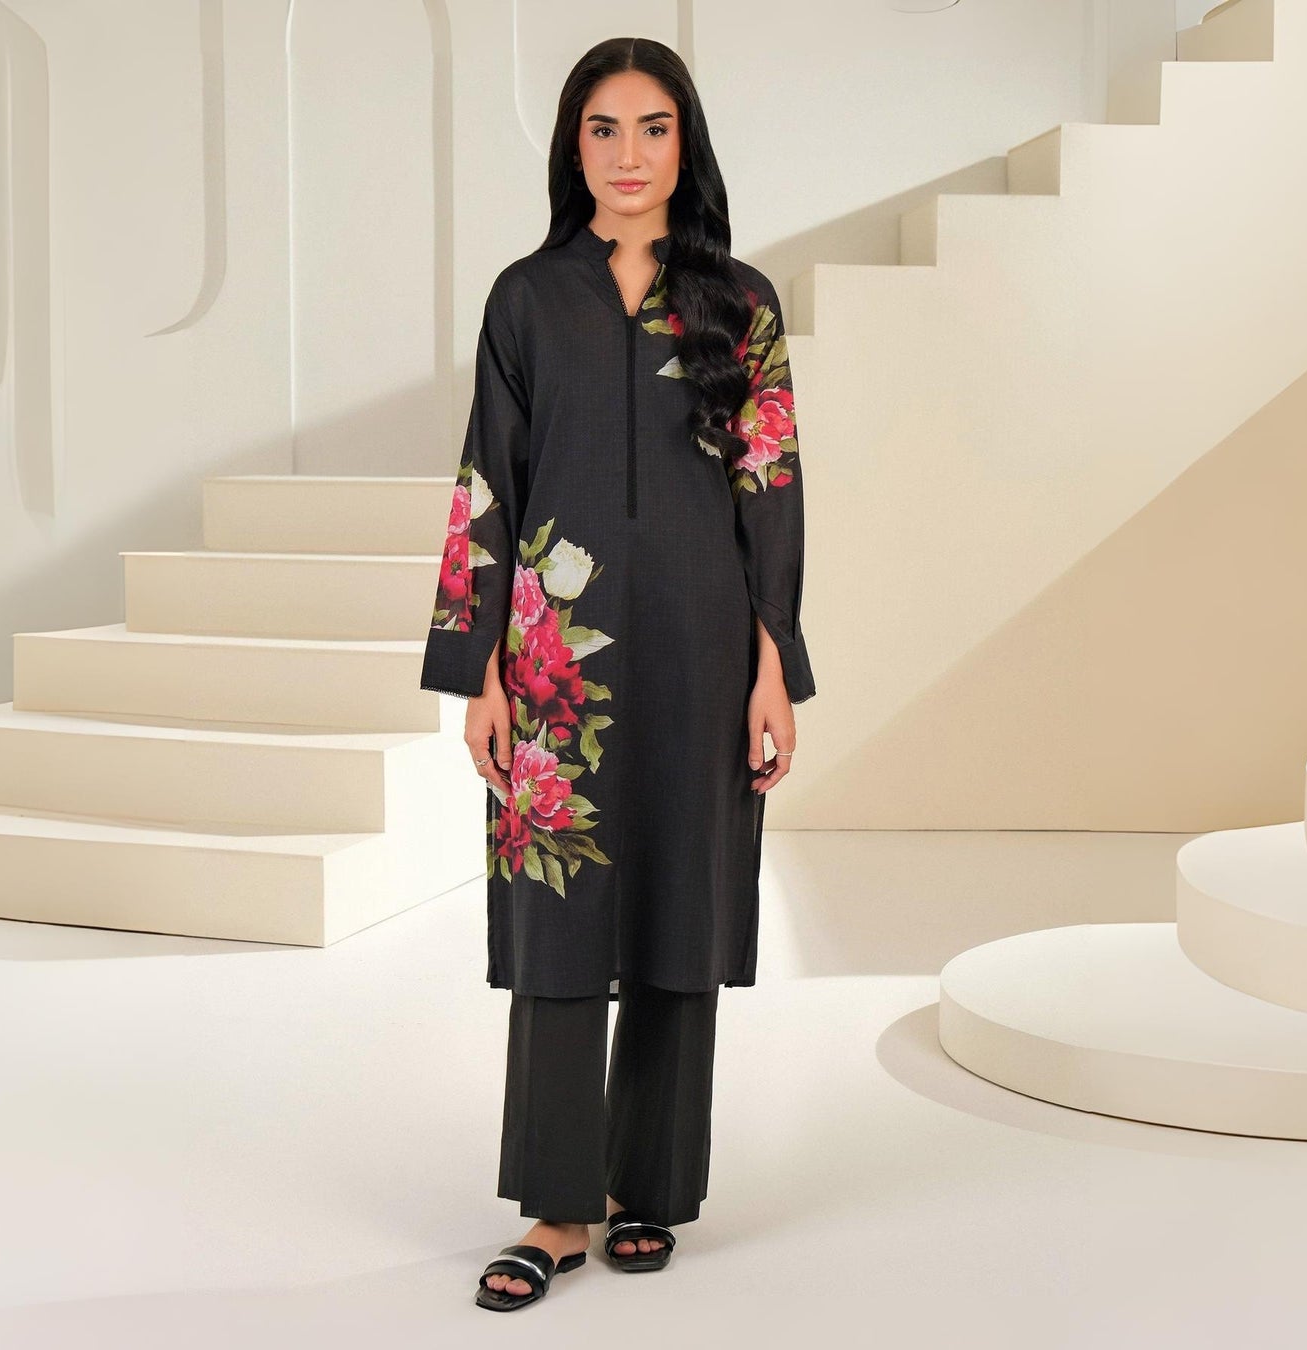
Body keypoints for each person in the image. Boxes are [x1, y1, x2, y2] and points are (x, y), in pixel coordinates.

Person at [416, 35, 816, 1314]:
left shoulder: (739, 303)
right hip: (558, 661)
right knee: (558, 914)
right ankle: (556, 1209)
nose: (628, 154)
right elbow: (487, 484)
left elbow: (772, 489)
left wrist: (774, 663)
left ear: (684, 144)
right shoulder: (527, 300)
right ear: (572, 146)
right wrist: (478, 671)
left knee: (681, 901)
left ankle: (650, 1189)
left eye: (652, 127)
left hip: (704, 649)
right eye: (603, 128)